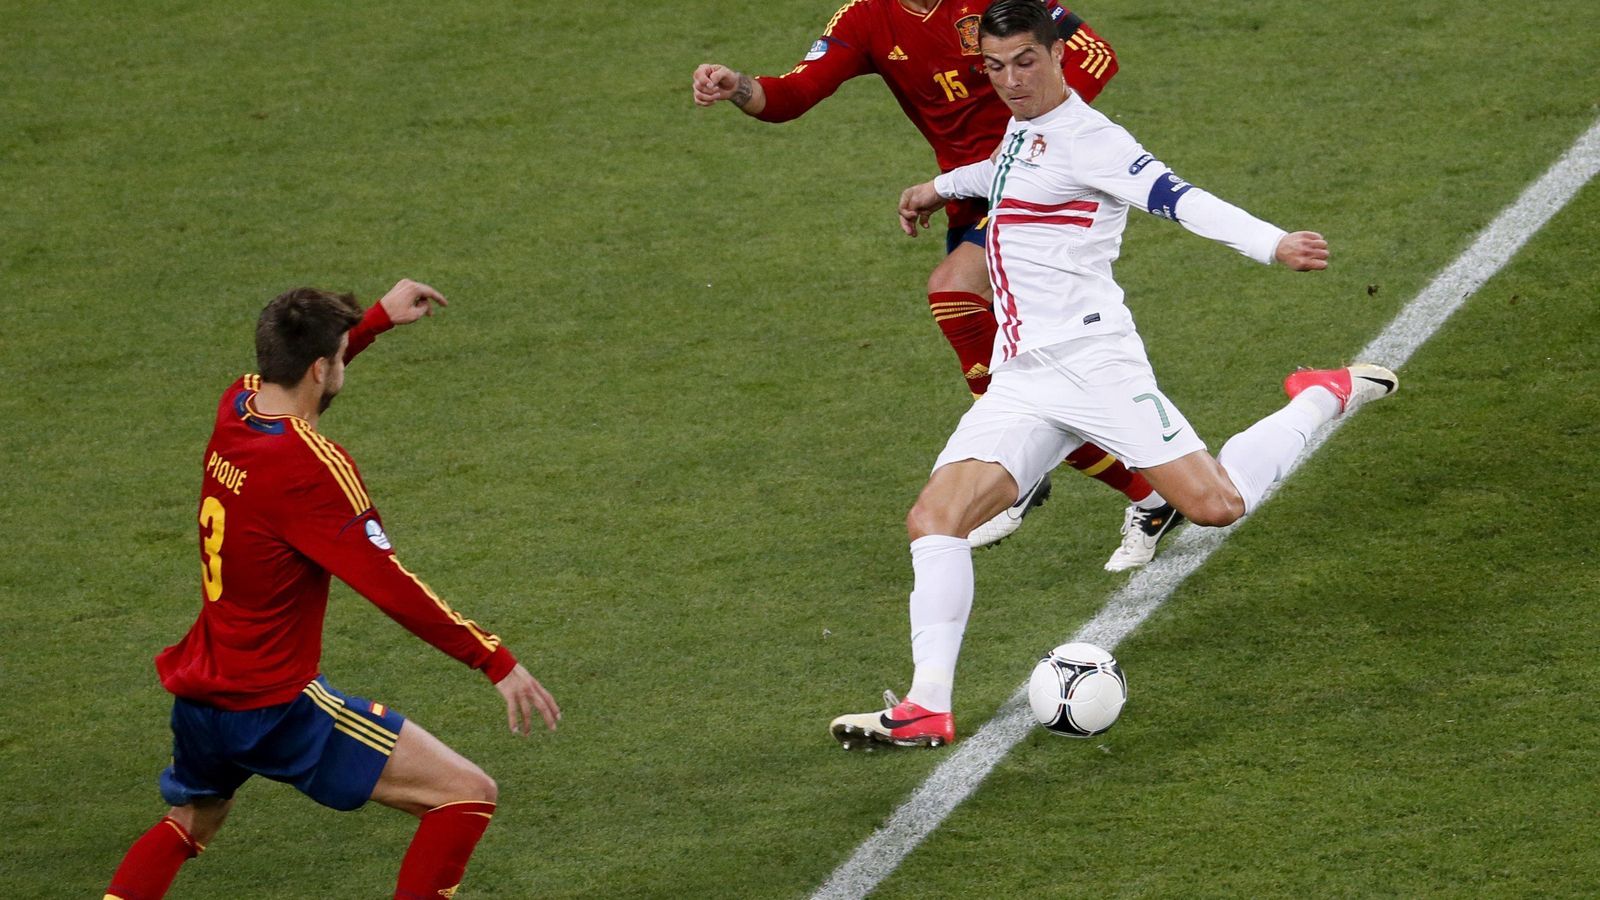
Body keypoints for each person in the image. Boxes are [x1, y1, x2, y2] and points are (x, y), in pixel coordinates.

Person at [829, 0, 1397, 750]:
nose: (1010, 81)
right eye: (994, 69)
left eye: (1025, 62)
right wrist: (938, 188)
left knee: (1216, 506)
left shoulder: (1095, 140)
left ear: (1060, 54)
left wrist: (1273, 244)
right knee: (935, 520)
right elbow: (1005, 166)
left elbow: (1178, 198)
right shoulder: (1024, 128)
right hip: (1025, 375)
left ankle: (1323, 395)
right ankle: (927, 704)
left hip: (1097, 365)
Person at [103, 281, 561, 899]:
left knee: (191, 822)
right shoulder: (312, 470)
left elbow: (300, 382)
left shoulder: (236, 406)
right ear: (322, 367)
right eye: (341, 354)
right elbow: (389, 584)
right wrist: (494, 659)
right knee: (466, 795)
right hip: (272, 706)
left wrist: (374, 322)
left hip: (201, 694)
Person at [692, 1, 1185, 570]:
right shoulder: (865, 18)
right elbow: (792, 95)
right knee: (1027, 374)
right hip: (969, 196)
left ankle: (1017, 473)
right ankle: (1149, 496)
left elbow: (1096, 56)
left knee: (953, 292)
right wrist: (736, 87)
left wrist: (1037, 134)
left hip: (1039, 185)